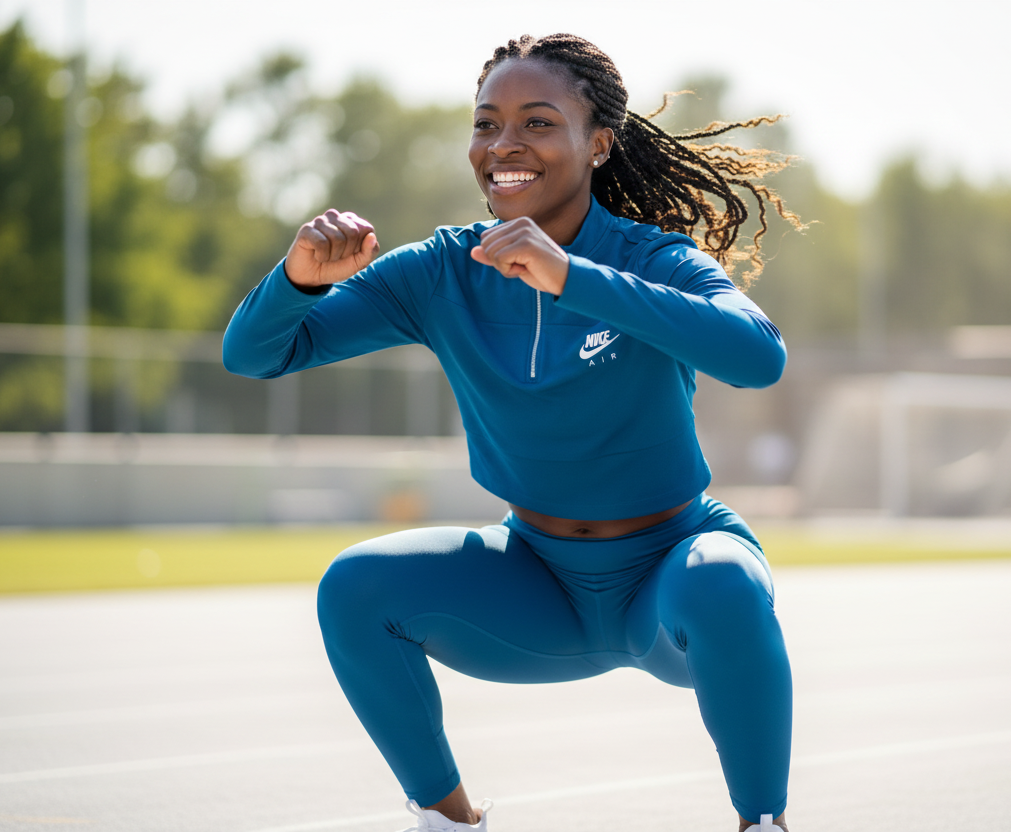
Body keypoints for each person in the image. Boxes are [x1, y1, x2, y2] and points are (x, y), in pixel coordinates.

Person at [224, 33, 800, 832]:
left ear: (597, 144)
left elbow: (758, 357)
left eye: (536, 123)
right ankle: (451, 822)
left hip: (666, 577)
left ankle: (761, 824)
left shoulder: (650, 259)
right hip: (537, 583)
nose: (504, 146)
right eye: (486, 123)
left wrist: (571, 276)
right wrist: (294, 281)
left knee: (725, 580)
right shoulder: (440, 271)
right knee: (354, 587)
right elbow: (255, 353)